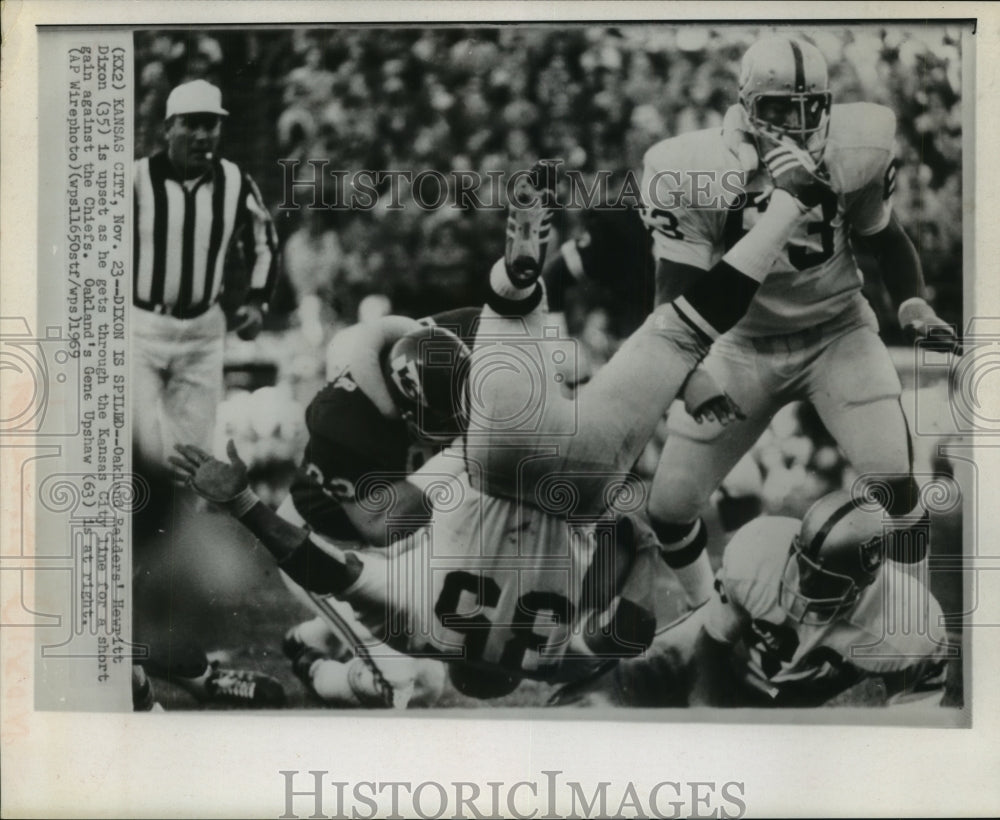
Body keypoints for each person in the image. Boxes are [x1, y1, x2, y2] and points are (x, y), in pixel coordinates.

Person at [171, 154, 825, 699]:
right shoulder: (422, 628)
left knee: (684, 331)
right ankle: (518, 282)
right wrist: (245, 505)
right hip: (498, 459)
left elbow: (626, 628)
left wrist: (632, 548)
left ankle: (788, 209)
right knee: (509, 318)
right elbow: (321, 566)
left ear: (507, 677)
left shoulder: (547, 659)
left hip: (582, 480)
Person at [640, 36, 960, 609]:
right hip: (739, 343)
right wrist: (689, 375)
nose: (798, 121)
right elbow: (674, 293)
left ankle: (920, 626)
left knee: (894, 481)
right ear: (745, 104)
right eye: (780, 108)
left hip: (836, 329)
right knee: (668, 507)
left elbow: (886, 240)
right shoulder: (696, 167)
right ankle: (706, 616)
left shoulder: (856, 147)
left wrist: (913, 303)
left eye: (811, 105)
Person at [132, 79, 283, 707]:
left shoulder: (233, 180)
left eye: (212, 124)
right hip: (138, 324)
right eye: (191, 124)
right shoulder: (134, 180)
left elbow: (265, 237)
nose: (203, 135)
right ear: (168, 127)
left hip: (200, 331)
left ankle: (174, 619)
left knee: (194, 470)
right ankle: (137, 610)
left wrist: (256, 299)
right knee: (145, 457)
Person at [551, 490, 953, 709]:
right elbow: (710, 645)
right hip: (711, 659)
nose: (805, 580)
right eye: (804, 564)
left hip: (777, 702)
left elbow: (913, 734)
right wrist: (708, 719)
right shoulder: (761, 552)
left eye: (823, 579)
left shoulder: (908, 625)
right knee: (580, 712)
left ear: (866, 580)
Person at [277, 307, 481, 708]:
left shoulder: (431, 352)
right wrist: (461, 456)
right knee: (418, 686)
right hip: (325, 550)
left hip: (395, 546)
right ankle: (317, 667)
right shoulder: (344, 424)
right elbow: (378, 526)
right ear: (406, 408)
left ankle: (313, 636)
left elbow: (396, 330)